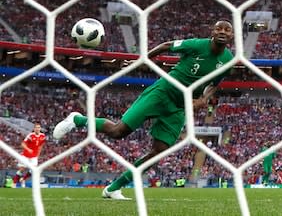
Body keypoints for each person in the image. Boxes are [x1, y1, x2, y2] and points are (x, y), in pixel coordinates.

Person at [53, 20, 234, 200]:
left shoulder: (228, 60)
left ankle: (113, 189)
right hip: (163, 92)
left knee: (159, 151)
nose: (223, 32)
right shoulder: (197, 45)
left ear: (232, 36)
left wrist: (204, 99)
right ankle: (77, 120)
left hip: (180, 107)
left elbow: (215, 85)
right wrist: (142, 60)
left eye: (227, 30)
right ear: (212, 31)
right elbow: (166, 46)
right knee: (118, 131)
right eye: (219, 28)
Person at [13, 123, 46, 188]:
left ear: (40, 128)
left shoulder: (42, 136)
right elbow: (22, 144)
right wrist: (28, 149)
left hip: (34, 156)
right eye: (36, 128)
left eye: (39, 127)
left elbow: (41, 146)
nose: (37, 129)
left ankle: (23, 179)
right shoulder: (30, 135)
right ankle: (14, 182)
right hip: (26, 155)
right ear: (34, 129)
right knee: (22, 169)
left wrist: (38, 154)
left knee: (34, 170)